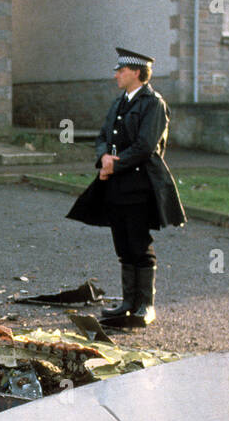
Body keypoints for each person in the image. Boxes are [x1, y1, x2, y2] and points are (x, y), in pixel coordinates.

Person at [66, 48, 185, 329]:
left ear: (136, 72)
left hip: (140, 185)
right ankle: (128, 302)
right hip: (116, 185)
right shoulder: (120, 101)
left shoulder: (153, 104)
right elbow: (103, 136)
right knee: (122, 243)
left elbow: (146, 146)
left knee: (139, 243)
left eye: (121, 70)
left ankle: (146, 305)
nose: (116, 74)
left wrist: (113, 164)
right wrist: (103, 157)